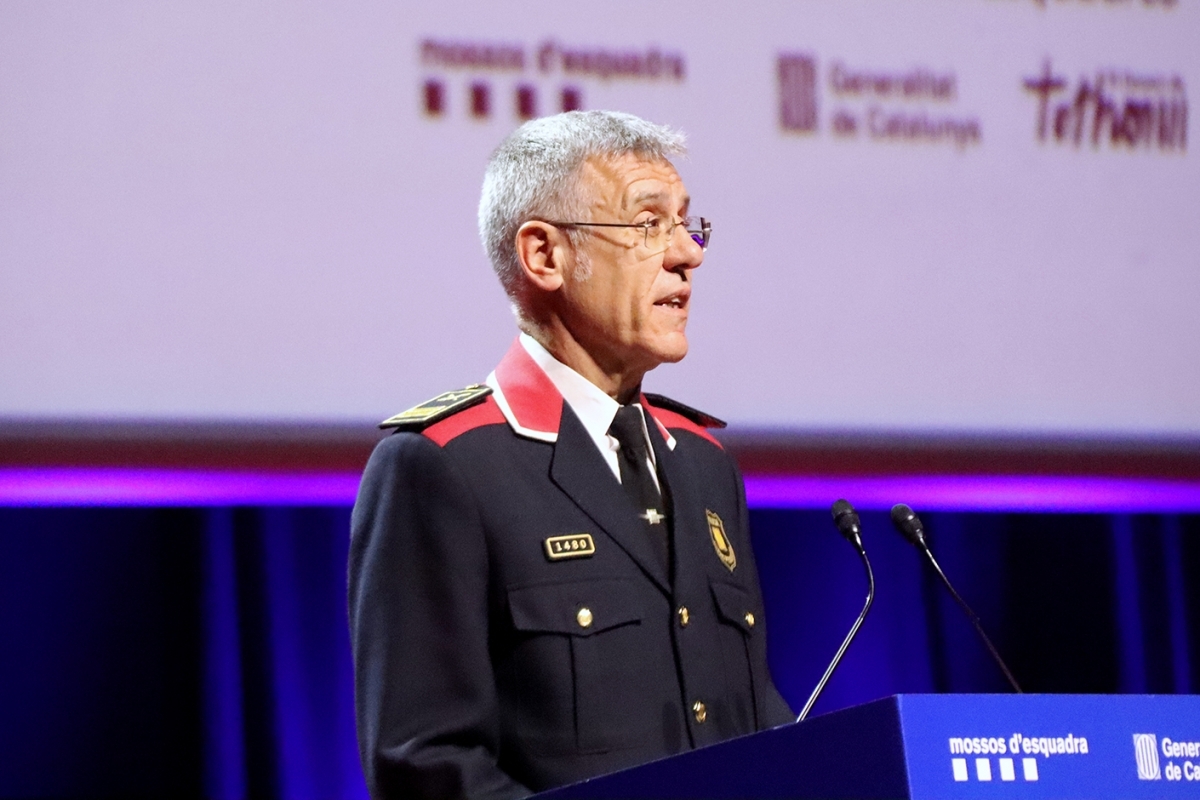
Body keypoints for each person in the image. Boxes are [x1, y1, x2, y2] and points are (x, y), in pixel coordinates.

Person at [348, 110, 793, 800]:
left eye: (687, 222)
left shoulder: (703, 464)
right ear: (544, 256)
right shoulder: (444, 467)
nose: (688, 254)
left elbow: (755, 719)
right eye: (649, 226)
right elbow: (427, 766)